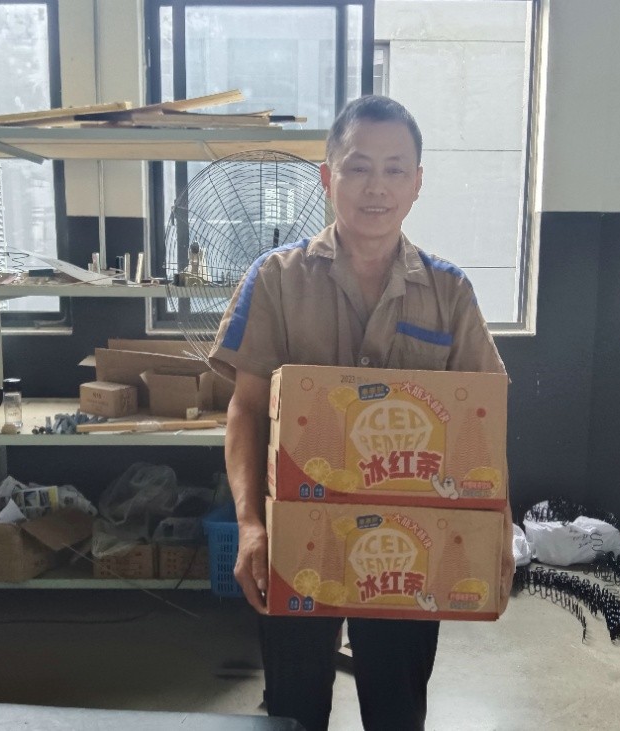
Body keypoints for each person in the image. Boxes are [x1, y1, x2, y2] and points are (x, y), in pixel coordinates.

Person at [208, 95, 514, 731]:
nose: (377, 187)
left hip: (408, 544)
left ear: (417, 182)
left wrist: (499, 531)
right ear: (328, 176)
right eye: (358, 167)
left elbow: (481, 429)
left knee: (397, 710)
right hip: (296, 537)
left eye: (395, 169)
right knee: (293, 709)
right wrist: (250, 525)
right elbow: (246, 411)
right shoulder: (276, 279)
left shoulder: (450, 293)